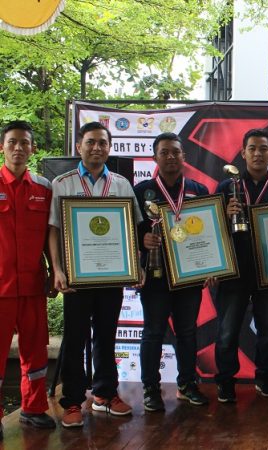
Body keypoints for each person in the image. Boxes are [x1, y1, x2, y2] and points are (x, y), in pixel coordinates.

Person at [48, 122, 143, 428]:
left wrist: (136, 265)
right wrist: (57, 270)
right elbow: (53, 231)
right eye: (91, 142)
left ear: (109, 148)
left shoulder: (121, 184)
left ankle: (104, 393)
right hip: (76, 277)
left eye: (103, 143)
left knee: (106, 335)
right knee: (75, 338)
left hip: (111, 275)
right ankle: (73, 401)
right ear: (79, 147)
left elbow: (131, 229)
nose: (97, 148)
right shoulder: (62, 183)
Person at [134, 132, 210, 411]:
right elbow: (127, 230)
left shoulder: (198, 190)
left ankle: (187, 384)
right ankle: (150, 388)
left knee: (187, 332)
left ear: (184, 157)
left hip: (189, 274)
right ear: (154, 157)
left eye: (176, 152)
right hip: (155, 273)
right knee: (153, 332)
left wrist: (211, 265)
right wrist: (141, 240)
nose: (170, 157)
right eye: (164, 152)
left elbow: (209, 232)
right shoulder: (141, 191)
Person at [213, 129, 268, 403]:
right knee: (227, 332)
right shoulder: (226, 188)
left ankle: (264, 378)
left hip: (267, 274)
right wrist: (224, 215)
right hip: (233, 273)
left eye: (263, 148)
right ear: (243, 153)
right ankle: (225, 382)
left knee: (267, 331)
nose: (258, 153)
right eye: (252, 148)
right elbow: (210, 231)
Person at [0, 121, 56, 437]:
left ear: (33, 148)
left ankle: (33, 409)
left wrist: (54, 271)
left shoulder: (43, 188)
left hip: (33, 285)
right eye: (12, 142)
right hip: (1, 287)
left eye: (25, 143)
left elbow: (50, 236)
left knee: (35, 351)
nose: (18, 148)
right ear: (2, 147)